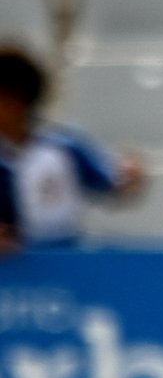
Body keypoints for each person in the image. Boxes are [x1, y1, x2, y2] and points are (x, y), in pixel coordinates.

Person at [0, 43, 144, 251]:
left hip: (66, 266)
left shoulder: (64, 149)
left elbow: (115, 184)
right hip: (12, 275)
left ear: (14, 101)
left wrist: (131, 177)